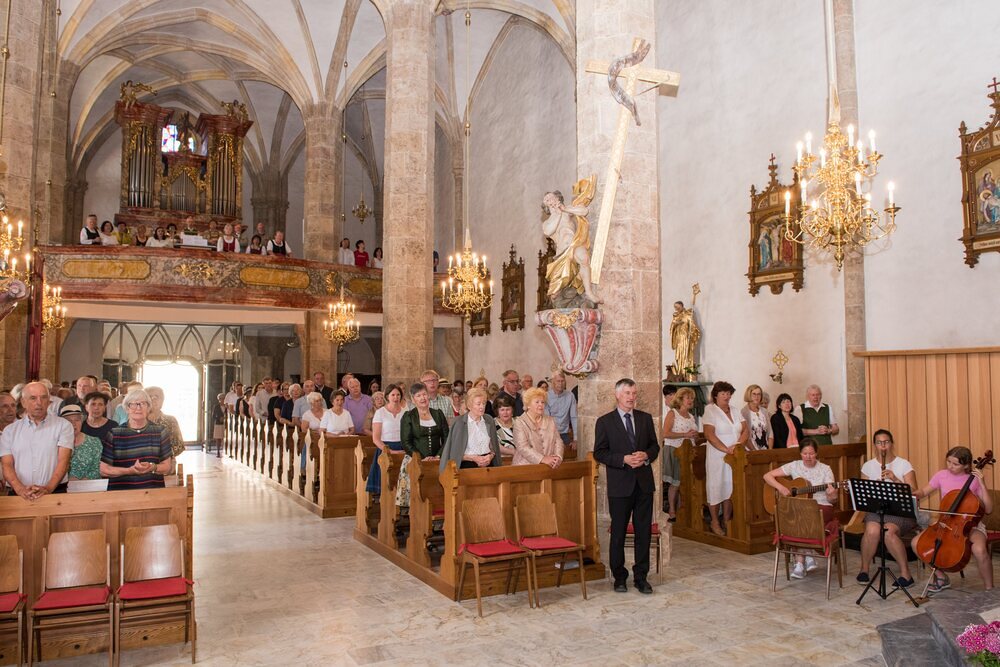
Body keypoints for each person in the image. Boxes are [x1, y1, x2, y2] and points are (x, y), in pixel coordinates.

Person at [594, 378, 659, 594]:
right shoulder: (605, 422)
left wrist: (646, 455)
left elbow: (655, 446)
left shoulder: (645, 418)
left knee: (643, 533)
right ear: (617, 395)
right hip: (620, 485)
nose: (631, 397)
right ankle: (619, 577)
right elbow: (600, 453)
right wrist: (623, 459)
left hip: (643, 485)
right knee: (618, 533)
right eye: (627, 393)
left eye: (634, 393)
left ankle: (641, 577)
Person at [912, 446, 994, 594]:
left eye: (955, 464)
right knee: (916, 543)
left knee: (980, 549)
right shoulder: (941, 475)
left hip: (970, 524)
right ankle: (941, 577)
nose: (950, 466)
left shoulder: (974, 480)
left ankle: (990, 588)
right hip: (945, 522)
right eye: (948, 462)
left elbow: (988, 509)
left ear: (966, 465)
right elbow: (923, 491)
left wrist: (982, 483)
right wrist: (912, 494)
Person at [763, 439, 838, 579]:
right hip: (799, 507)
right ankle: (806, 556)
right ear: (800, 453)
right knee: (795, 516)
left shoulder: (825, 469)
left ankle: (800, 562)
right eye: (805, 453)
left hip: (821, 506)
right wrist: (781, 488)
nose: (808, 457)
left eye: (811, 453)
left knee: (799, 518)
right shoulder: (794, 465)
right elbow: (767, 476)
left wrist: (832, 494)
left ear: (817, 453)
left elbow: (832, 500)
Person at [856, 429, 918, 588]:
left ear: (892, 444)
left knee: (888, 532)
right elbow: (864, 495)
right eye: (879, 443)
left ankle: (906, 574)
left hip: (900, 512)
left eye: (886, 442)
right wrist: (873, 489)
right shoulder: (868, 466)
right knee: (872, 530)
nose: (883, 446)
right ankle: (864, 569)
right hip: (877, 510)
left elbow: (914, 492)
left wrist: (895, 479)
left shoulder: (904, 464)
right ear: (874, 445)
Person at [0, 382, 73, 499]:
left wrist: (48, 488)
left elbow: (63, 462)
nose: (39, 402)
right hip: (18, 494)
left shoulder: (63, 426)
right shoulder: (10, 431)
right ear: (23, 402)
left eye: (43, 397)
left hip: (55, 492)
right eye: (33, 398)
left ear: (49, 401)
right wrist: (20, 490)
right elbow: (7, 465)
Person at [100, 388, 173, 490]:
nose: (138, 408)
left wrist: (152, 467)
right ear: (127, 408)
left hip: (152, 493)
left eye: (143, 403)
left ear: (148, 408)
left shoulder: (160, 431)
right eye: (133, 404)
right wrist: (129, 471)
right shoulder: (114, 434)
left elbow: (167, 467)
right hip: (121, 493)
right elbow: (104, 470)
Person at [702, 380, 749, 536]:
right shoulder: (710, 410)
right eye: (723, 393)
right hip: (718, 455)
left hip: (735, 455)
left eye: (729, 393)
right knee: (716, 487)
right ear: (716, 395)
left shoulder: (735, 410)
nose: (726, 396)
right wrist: (725, 449)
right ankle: (715, 521)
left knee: (730, 487)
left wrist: (738, 446)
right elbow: (709, 434)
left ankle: (727, 520)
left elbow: (745, 430)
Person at [542, 188, 601, 304]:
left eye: (551, 196)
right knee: (555, 293)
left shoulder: (567, 211)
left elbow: (584, 211)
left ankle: (589, 292)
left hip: (574, 245)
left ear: (558, 198)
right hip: (561, 253)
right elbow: (548, 231)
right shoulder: (547, 223)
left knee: (584, 259)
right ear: (545, 205)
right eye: (546, 199)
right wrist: (558, 213)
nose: (549, 199)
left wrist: (565, 209)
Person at [400, 383, 448, 509]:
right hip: (415, 459)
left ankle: (438, 511)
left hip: (437, 460)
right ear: (413, 399)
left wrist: (438, 456)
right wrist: (421, 458)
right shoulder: (408, 416)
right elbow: (406, 442)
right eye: (418, 395)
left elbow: (447, 438)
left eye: (424, 394)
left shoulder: (438, 414)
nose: (423, 398)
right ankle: (415, 514)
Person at [439, 387, 500, 472]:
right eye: (478, 404)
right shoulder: (459, 423)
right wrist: (473, 458)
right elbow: (454, 453)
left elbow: (494, 446)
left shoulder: (489, 420)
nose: (482, 407)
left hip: (488, 465)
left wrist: (490, 456)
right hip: (467, 466)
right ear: (469, 406)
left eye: (484, 403)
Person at [662, 386, 698, 523]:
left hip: (689, 452)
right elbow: (665, 433)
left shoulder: (691, 416)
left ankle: (683, 510)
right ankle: (672, 510)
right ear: (680, 399)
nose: (690, 400)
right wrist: (685, 434)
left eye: (692, 398)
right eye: (688, 398)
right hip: (675, 450)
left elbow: (693, 435)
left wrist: (695, 436)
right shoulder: (673, 413)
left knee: (687, 483)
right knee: (676, 483)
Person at [367, 384, 405, 496]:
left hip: (402, 447)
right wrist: (389, 451)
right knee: (385, 482)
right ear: (387, 396)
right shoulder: (380, 412)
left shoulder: (405, 412)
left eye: (398, 395)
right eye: (393, 395)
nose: (396, 397)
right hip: (385, 448)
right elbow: (376, 438)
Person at [512, 387, 562, 468]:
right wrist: (542, 459)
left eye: (542, 402)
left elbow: (558, 441)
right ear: (528, 405)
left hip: (549, 467)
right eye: (537, 402)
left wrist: (558, 457)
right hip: (524, 467)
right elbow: (522, 447)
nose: (540, 405)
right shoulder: (519, 422)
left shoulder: (550, 420)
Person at [61, 404, 102, 481]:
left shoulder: (94, 442)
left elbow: (98, 468)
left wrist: (81, 482)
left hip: (89, 485)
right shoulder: (55, 443)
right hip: (62, 485)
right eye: (69, 420)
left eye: (77, 420)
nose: (73, 424)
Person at [146, 386, 185, 459]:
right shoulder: (138, 420)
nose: (153, 400)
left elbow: (179, 446)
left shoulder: (171, 420)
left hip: (166, 461)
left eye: (156, 397)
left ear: (162, 401)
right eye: (150, 396)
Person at [545, 371, 577, 447]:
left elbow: (574, 417)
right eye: (558, 381)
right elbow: (547, 419)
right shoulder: (546, 396)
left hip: (564, 434)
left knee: (570, 452)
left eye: (562, 381)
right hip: (550, 433)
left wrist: (576, 439)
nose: (560, 383)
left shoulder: (570, 396)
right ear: (553, 382)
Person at [741, 384, 773, 450]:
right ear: (749, 395)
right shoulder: (744, 412)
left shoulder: (764, 411)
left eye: (759, 394)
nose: (757, 397)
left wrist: (770, 450)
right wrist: (755, 451)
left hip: (766, 449)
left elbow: (770, 433)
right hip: (751, 450)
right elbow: (745, 435)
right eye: (754, 394)